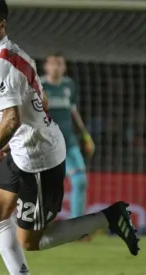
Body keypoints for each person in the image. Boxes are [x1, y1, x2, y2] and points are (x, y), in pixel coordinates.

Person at [0, 1, 139, 274]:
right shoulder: (14, 53)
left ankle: (109, 216)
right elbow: (40, 99)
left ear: (1, 26)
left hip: (37, 161)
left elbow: (11, 119)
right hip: (23, 150)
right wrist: (9, 142)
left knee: (31, 241)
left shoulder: (1, 65)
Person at [41, 53, 94, 224]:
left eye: (60, 64)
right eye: (53, 64)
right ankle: (34, 224)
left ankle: (76, 226)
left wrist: (85, 135)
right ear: (46, 66)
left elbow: (73, 111)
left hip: (69, 143)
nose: (56, 68)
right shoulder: (38, 85)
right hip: (45, 146)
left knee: (80, 181)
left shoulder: (69, 85)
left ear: (64, 67)